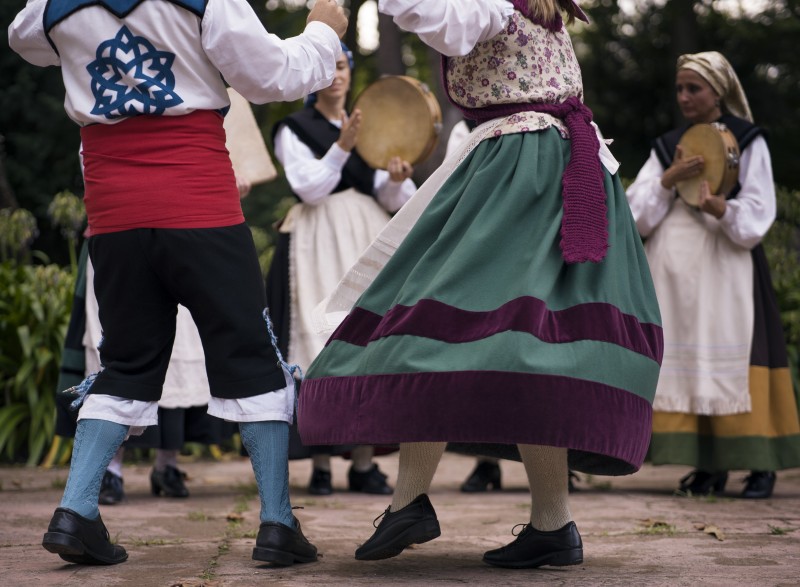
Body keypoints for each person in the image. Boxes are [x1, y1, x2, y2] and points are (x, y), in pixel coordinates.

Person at [298, 0, 663, 568]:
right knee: (527, 348)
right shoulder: (540, 8)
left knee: (439, 326)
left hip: (521, 173)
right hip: (557, 166)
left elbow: (437, 19)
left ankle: (417, 504)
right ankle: (547, 524)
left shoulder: (494, 4)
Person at [9, 0, 347, 568]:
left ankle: (75, 511)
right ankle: (277, 523)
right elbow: (273, 76)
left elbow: (26, 39)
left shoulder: (52, 6)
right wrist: (322, 30)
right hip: (198, 202)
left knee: (126, 362)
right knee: (249, 355)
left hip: (114, 213)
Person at [626, 51, 800, 499]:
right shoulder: (669, 145)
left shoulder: (747, 140)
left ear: (718, 91)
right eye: (680, 88)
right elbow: (634, 214)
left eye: (694, 88)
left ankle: (760, 464)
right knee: (686, 362)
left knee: (734, 358)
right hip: (675, 272)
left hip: (726, 266)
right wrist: (669, 179)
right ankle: (708, 465)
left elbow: (759, 209)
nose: (684, 97)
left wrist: (722, 208)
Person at [267, 44, 415, 496]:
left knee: (366, 339)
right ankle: (320, 463)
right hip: (319, 236)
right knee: (319, 339)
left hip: (365, 236)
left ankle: (363, 462)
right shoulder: (294, 128)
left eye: (341, 66)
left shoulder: (371, 125)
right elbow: (308, 188)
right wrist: (342, 147)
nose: (335, 75)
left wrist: (395, 179)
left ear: (350, 72)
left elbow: (393, 196)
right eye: (326, 67)